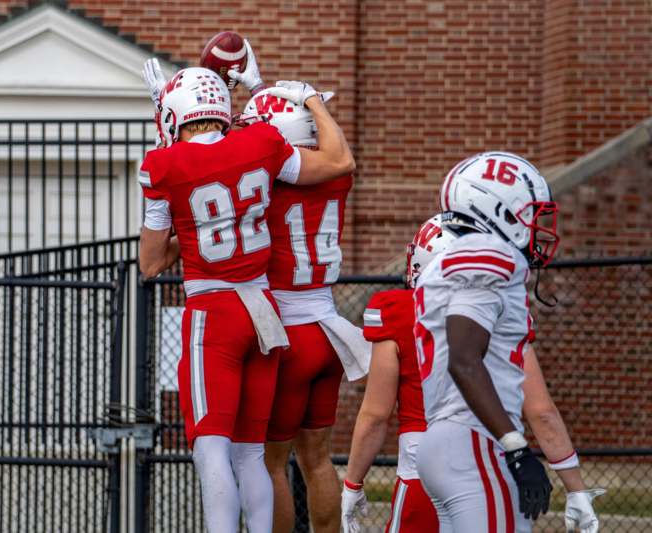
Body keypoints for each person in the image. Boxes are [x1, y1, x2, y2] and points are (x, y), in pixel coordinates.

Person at [138, 62, 355, 533]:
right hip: (266, 314)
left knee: (211, 448)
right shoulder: (261, 147)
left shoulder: (162, 164)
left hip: (214, 312)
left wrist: (163, 131)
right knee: (254, 453)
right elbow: (304, 150)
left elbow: (151, 262)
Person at [342, 213, 605, 532]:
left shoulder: (398, 309)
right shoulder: (504, 308)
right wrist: (575, 487)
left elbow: (375, 415)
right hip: (484, 459)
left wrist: (353, 484)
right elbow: (541, 411)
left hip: (421, 466)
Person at [233, 78, 371, 533]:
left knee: (271, 463)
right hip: (326, 329)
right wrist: (293, 97)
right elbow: (331, 149)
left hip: (286, 333)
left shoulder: (265, 178)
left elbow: (228, 152)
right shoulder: (337, 175)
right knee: (316, 459)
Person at [414, 151, 560, 532]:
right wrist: (515, 448)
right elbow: (463, 359)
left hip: (444, 439)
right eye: (529, 214)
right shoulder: (489, 253)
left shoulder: (451, 257)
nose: (535, 226)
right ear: (500, 209)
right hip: (476, 441)